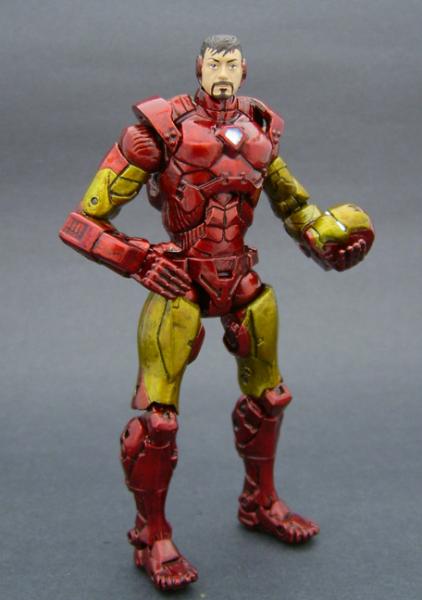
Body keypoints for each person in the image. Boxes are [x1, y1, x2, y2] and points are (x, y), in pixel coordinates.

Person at [60, 34, 374, 591]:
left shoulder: (259, 131)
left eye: (231, 64)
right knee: (159, 421)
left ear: (244, 70)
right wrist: (139, 259)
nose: (222, 73)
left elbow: (296, 207)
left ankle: (260, 502)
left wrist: (330, 242)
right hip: (181, 279)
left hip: (241, 279)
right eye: (214, 64)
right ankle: (151, 536)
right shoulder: (158, 132)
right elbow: (82, 223)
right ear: (199, 68)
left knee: (270, 397)